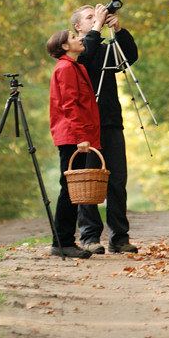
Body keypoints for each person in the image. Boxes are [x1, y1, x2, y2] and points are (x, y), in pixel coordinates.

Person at [70, 3, 139, 254]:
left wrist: (119, 30)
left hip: (111, 122)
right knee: (88, 181)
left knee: (117, 181)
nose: (95, 18)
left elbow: (129, 57)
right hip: (87, 127)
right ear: (78, 26)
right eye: (89, 17)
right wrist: (97, 27)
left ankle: (119, 237)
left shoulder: (105, 49)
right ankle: (89, 237)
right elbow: (86, 54)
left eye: (96, 16)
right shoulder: (76, 50)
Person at [46, 29, 101, 259]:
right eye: (74, 37)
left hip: (75, 135)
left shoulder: (74, 66)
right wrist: (80, 137)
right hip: (72, 136)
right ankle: (62, 242)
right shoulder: (66, 67)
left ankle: (65, 240)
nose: (80, 39)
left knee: (70, 188)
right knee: (69, 189)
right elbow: (69, 105)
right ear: (65, 46)